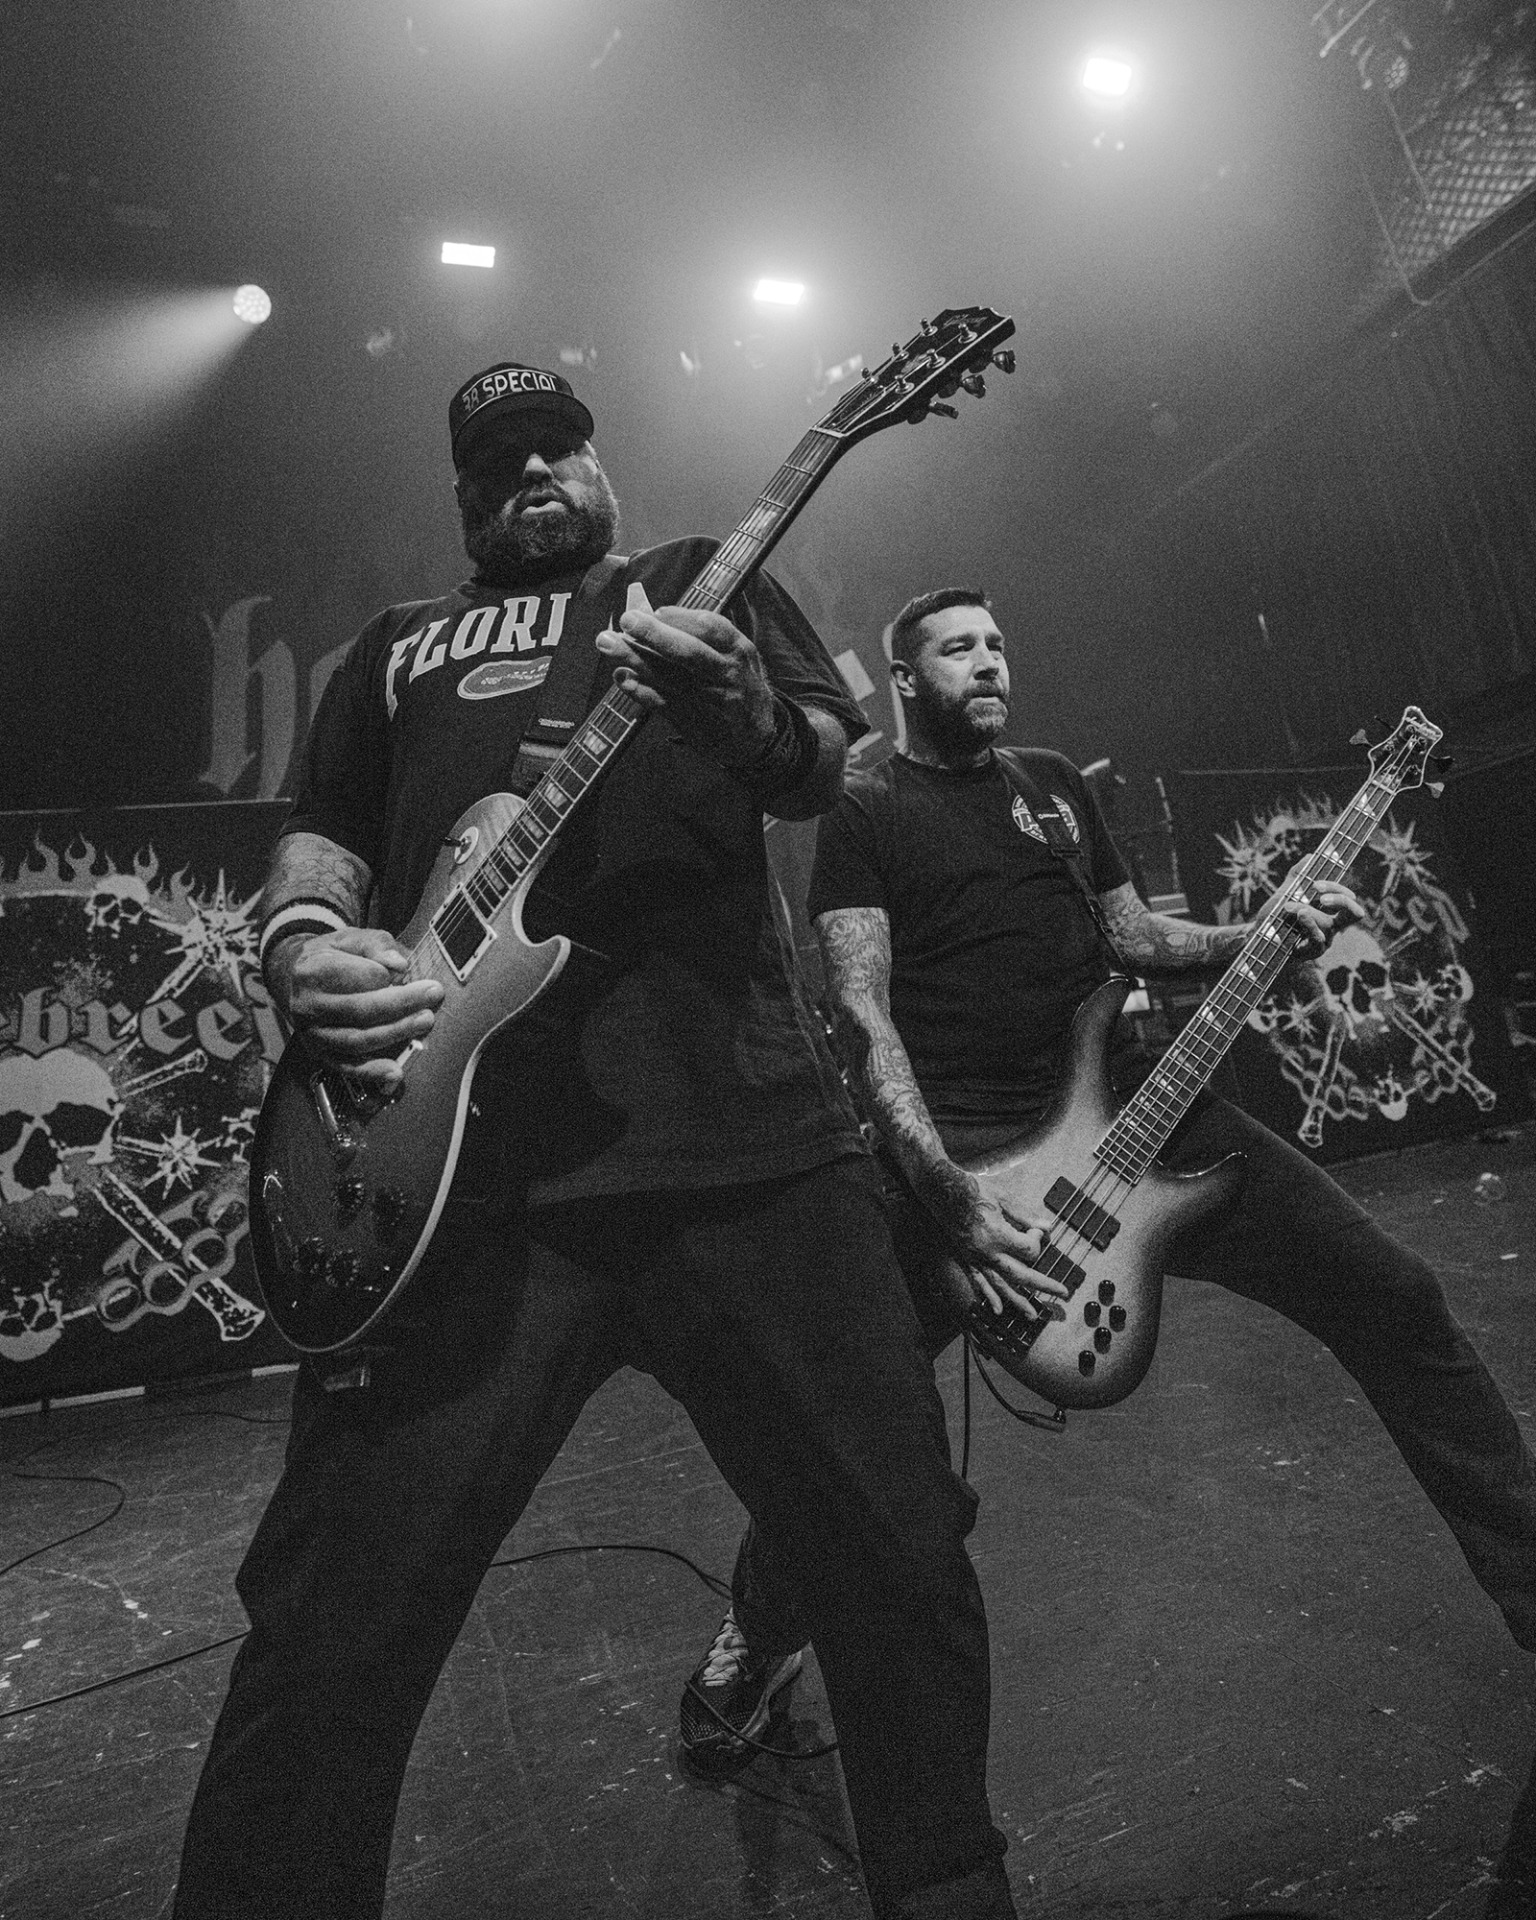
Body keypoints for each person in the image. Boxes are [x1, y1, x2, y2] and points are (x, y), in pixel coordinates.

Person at [172, 378, 1027, 1920]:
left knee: (900, 1566)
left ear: (600, 459)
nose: (532, 472)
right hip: (449, 1186)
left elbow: (823, 763)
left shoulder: (696, 580)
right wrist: (300, 941)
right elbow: (323, 833)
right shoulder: (392, 647)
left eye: (557, 444)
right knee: (326, 1637)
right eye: (495, 462)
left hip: (749, 1144)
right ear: (463, 500)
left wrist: (743, 713)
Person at [679, 586, 1536, 1919]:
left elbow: (1138, 942)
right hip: (968, 1161)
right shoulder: (862, 804)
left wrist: (1258, 934)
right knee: (846, 1442)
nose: (990, 662)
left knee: (1399, 1299)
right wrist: (943, 1193)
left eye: (998, 644)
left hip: (1144, 1110)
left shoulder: (1053, 788)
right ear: (904, 676)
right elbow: (863, 1010)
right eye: (959, 648)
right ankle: (756, 1637)